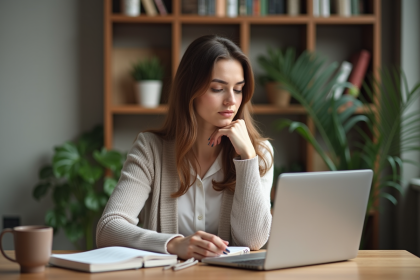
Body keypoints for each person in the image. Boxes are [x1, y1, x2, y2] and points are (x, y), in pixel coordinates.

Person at [96, 35, 274, 260]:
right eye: (218, 88)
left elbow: (254, 240)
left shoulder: (259, 153)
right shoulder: (150, 150)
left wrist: (247, 159)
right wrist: (174, 244)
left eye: (238, 89)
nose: (231, 100)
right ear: (190, 90)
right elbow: (108, 228)